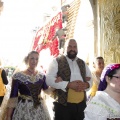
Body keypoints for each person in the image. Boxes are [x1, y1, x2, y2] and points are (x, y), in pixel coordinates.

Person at [46, 39, 92, 120]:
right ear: (65, 48)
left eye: (74, 47)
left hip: (81, 106)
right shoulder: (56, 61)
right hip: (63, 107)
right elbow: (48, 79)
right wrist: (68, 84)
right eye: (69, 46)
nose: (72, 49)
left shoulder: (82, 63)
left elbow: (90, 79)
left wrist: (87, 84)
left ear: (77, 49)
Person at [6, 51, 50, 120]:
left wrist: (58, 83)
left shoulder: (42, 76)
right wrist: (8, 116)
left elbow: (47, 91)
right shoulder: (18, 76)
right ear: (27, 59)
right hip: (23, 108)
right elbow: (13, 97)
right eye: (32, 58)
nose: (34, 61)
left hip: (39, 108)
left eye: (36, 59)